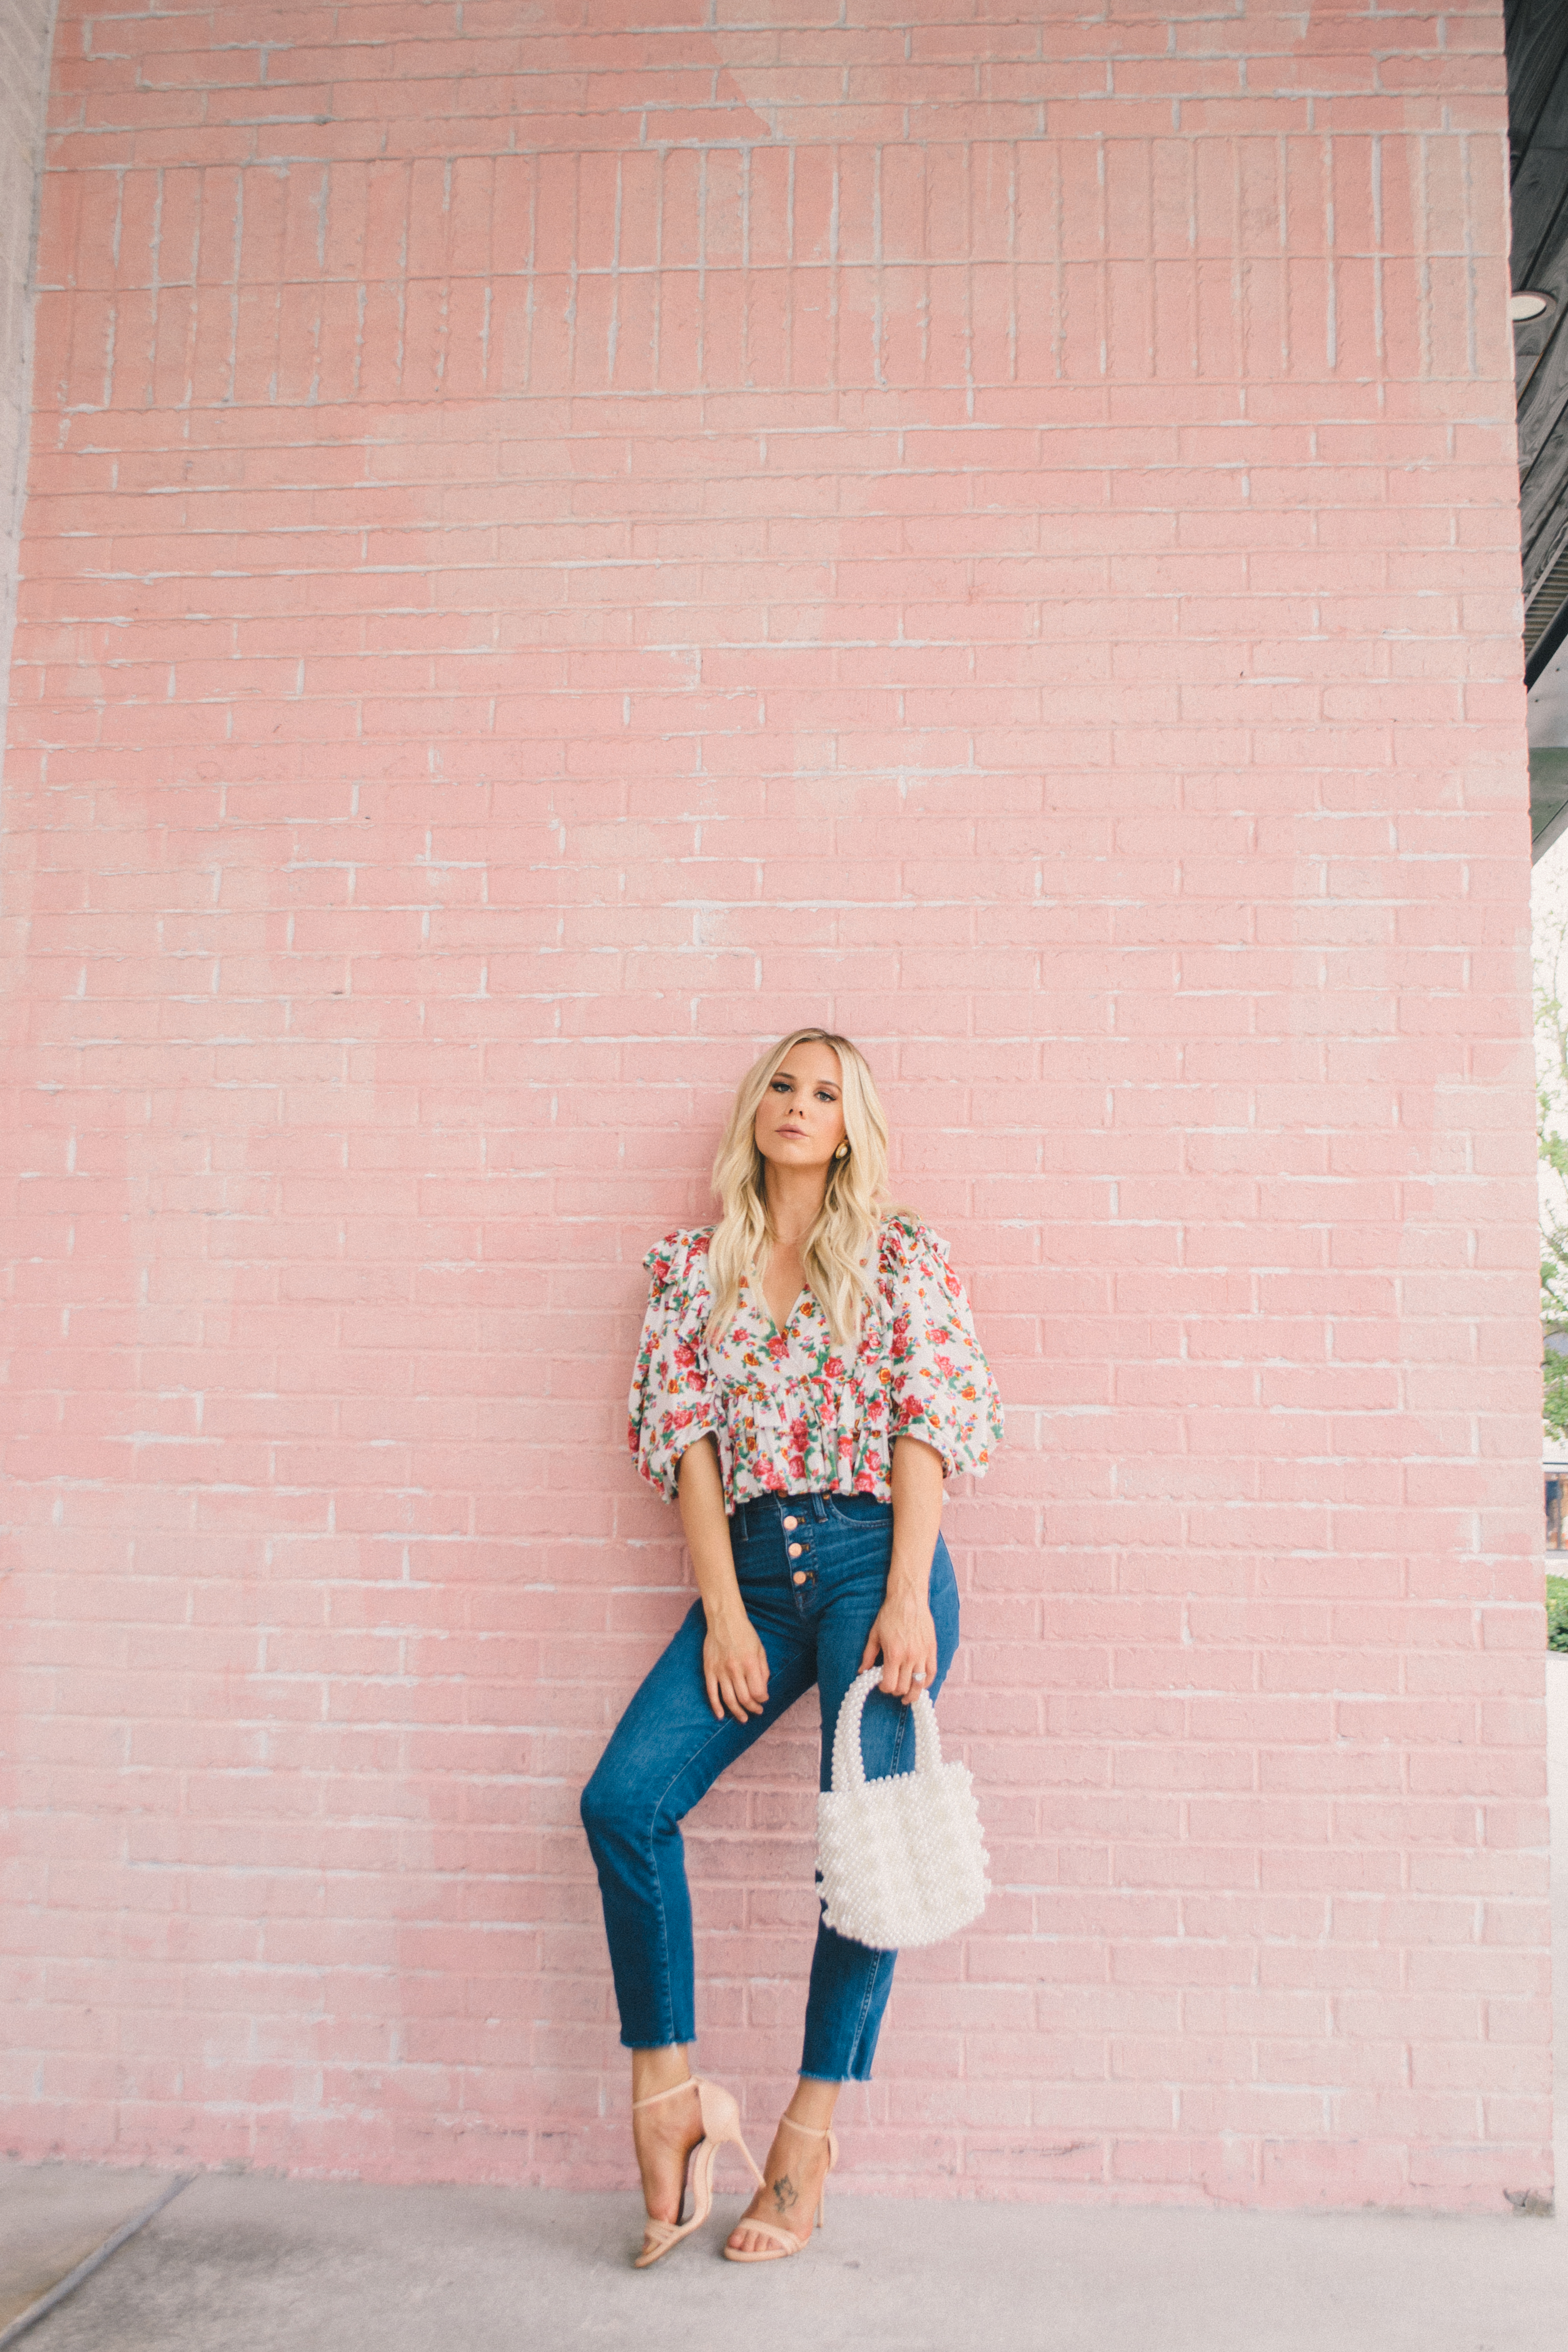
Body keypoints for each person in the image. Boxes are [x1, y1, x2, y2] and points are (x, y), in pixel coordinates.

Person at [580, 1026, 1003, 2265]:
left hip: (879, 1562)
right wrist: (721, 1609)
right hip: (756, 1575)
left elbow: (927, 1420)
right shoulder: (688, 1270)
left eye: (826, 1093)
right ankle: (671, 2097)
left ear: (853, 1124)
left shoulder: (899, 1254)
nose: (799, 1105)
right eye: (783, 1085)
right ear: (755, 1110)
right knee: (623, 1802)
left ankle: (807, 2135)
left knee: (861, 1856)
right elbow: (689, 1456)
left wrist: (913, 1595)